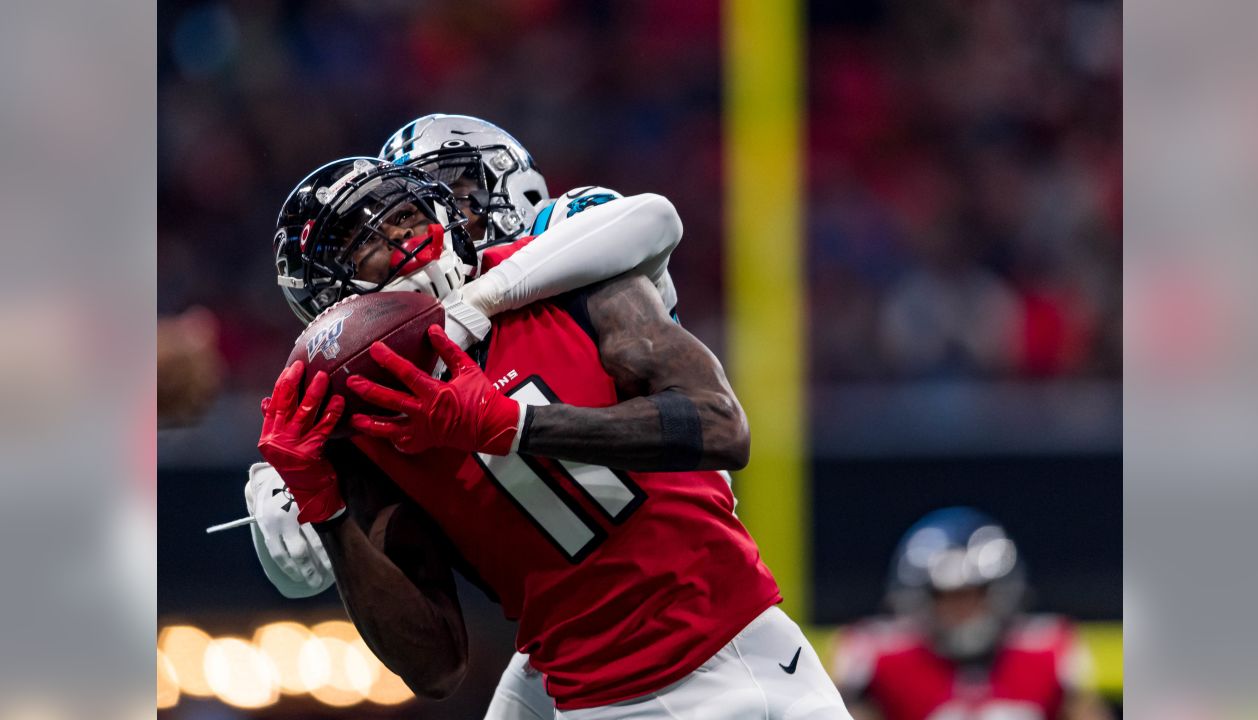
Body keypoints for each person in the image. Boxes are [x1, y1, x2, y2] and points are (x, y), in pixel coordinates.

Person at [256, 158, 851, 718]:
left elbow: (720, 427)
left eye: (404, 216)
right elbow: (435, 668)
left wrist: (513, 426)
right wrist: (325, 510)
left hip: (735, 664)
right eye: (366, 243)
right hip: (579, 697)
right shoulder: (366, 423)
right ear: (326, 297)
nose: (402, 243)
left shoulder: (560, 272)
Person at [246, 114, 686, 718]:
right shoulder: (411, 333)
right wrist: (280, 481)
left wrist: (480, 299)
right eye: (375, 229)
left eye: (448, 194)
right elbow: (305, 579)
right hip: (569, 609)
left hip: (669, 559)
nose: (436, 220)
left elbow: (653, 217)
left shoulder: (561, 234)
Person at [827, 507, 1112, 720]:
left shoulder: (1046, 651)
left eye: (971, 596)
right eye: (946, 598)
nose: (961, 611)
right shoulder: (880, 658)